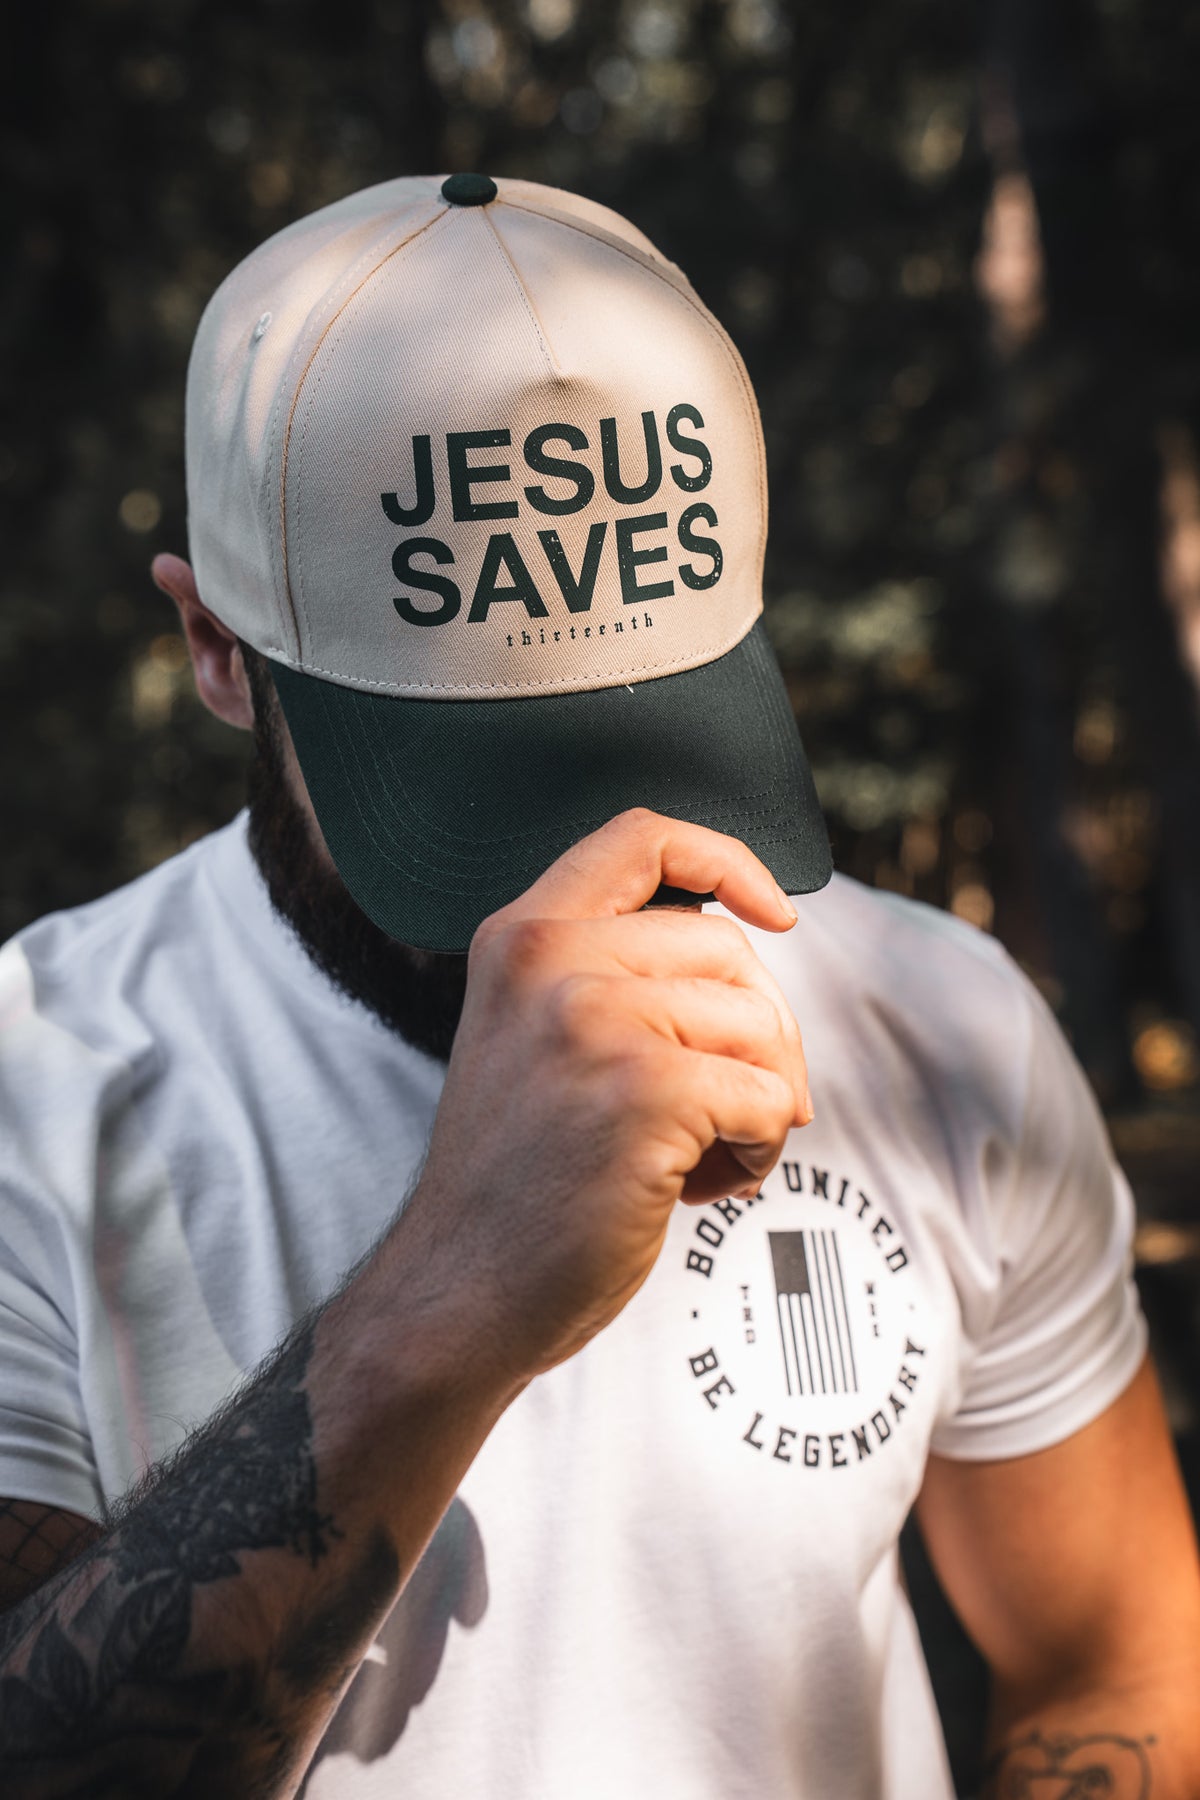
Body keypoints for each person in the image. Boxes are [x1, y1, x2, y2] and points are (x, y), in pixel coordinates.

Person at [0, 172, 1197, 1800]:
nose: (593, 857)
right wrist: (447, 1294)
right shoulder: (36, 1088)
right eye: (467, 775)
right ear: (217, 646)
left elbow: (1113, 1653)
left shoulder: (948, 1029)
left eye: (649, 726)